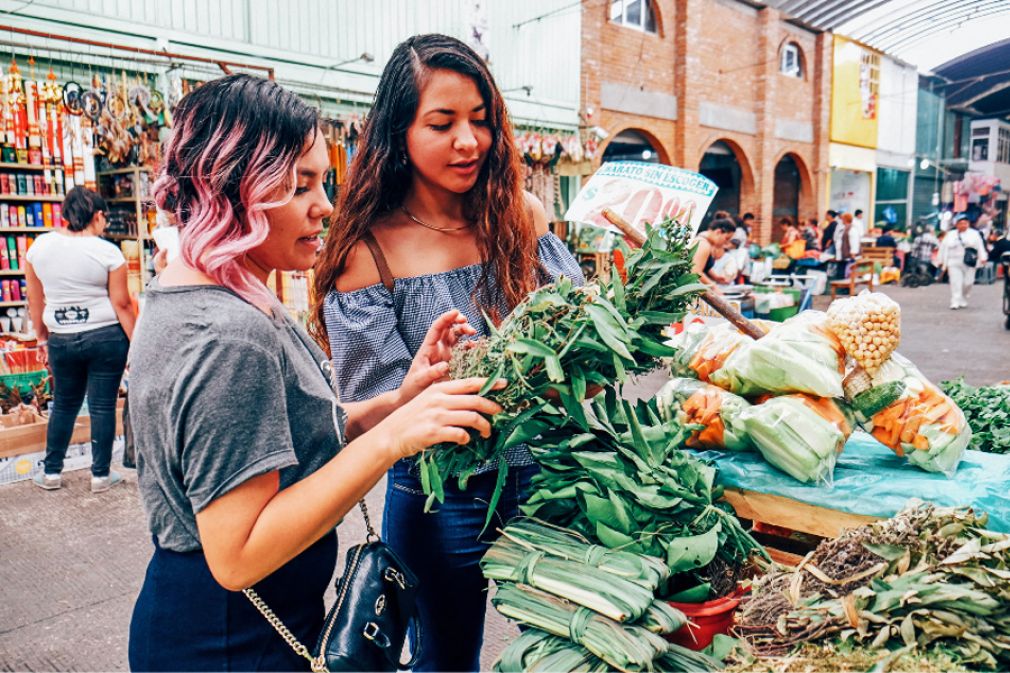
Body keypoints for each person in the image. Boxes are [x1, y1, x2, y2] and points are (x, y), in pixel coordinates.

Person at [127, 74, 503, 671]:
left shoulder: (208, 291)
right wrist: (392, 440)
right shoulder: (227, 335)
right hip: (230, 642)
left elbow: (285, 433)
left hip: (237, 625)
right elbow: (238, 553)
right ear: (233, 186)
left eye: (322, 181)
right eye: (299, 184)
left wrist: (399, 401)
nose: (324, 205)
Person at [311, 35, 584, 672]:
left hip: (550, 479)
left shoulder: (521, 216)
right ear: (397, 131)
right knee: (446, 662)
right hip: (441, 502)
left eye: (481, 121)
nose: (469, 141)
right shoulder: (366, 252)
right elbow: (373, 413)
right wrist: (432, 386)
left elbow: (579, 347)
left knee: (572, 650)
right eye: (443, 123)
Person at [25, 187, 134, 493]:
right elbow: (122, 304)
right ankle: (100, 476)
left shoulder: (39, 247)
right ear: (98, 216)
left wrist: (42, 339)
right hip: (106, 338)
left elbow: (36, 301)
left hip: (62, 337)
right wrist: (136, 344)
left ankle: (51, 473)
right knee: (102, 406)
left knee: (64, 405)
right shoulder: (108, 251)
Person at [939, 213, 988, 310]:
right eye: (961, 223)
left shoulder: (974, 234)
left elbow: (980, 246)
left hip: (969, 262)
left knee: (968, 282)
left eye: (965, 223)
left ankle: (963, 298)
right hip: (953, 261)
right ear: (956, 224)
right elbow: (943, 248)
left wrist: (983, 257)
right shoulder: (950, 234)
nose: (963, 225)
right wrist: (941, 260)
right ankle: (955, 301)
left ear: (968, 224)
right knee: (955, 282)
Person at [692, 217, 736, 289]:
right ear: (718, 232)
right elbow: (696, 272)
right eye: (727, 238)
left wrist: (716, 277)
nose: (726, 243)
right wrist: (714, 287)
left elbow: (703, 266)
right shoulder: (703, 245)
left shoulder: (704, 242)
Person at [833, 212, 862, 278]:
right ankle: (841, 286)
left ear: (845, 219)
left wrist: (853, 254)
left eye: (842, 218)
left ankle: (846, 287)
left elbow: (854, 242)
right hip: (842, 256)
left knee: (846, 273)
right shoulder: (843, 228)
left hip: (848, 256)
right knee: (841, 273)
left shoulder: (852, 229)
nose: (841, 220)